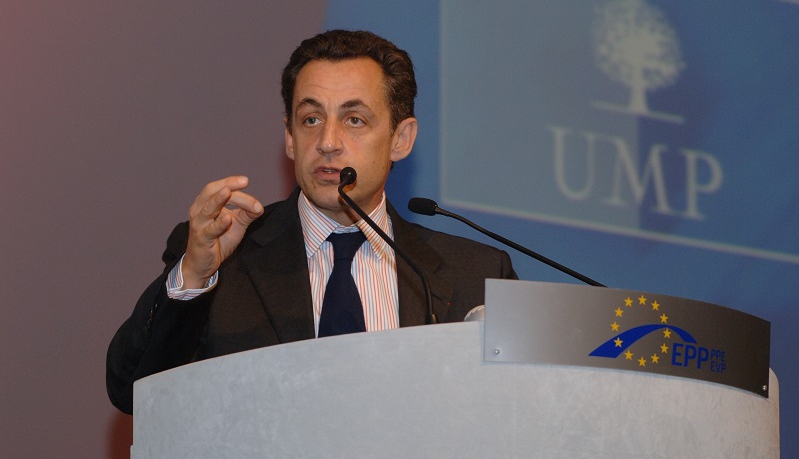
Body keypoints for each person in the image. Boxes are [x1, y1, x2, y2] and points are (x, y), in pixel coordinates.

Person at [106, 29, 517, 414]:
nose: (327, 142)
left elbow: (522, 415)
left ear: (400, 139)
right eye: (311, 119)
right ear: (290, 137)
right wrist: (195, 276)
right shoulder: (222, 260)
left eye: (354, 119)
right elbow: (132, 392)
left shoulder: (477, 275)